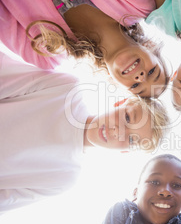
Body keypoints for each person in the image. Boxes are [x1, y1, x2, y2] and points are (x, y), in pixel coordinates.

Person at [0, 51, 169, 214]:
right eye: (127, 117)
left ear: (126, 151)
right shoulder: (65, 90)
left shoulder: (64, 177)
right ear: (121, 102)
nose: (119, 132)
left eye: (132, 140)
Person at [0, 0, 169, 98]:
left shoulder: (45, 54)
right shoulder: (136, 4)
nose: (140, 77)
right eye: (153, 72)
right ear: (151, 46)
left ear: (114, 82)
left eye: (135, 87)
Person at [90, 154, 181, 224]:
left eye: (176, 185)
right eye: (155, 182)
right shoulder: (121, 212)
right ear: (135, 193)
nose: (166, 191)